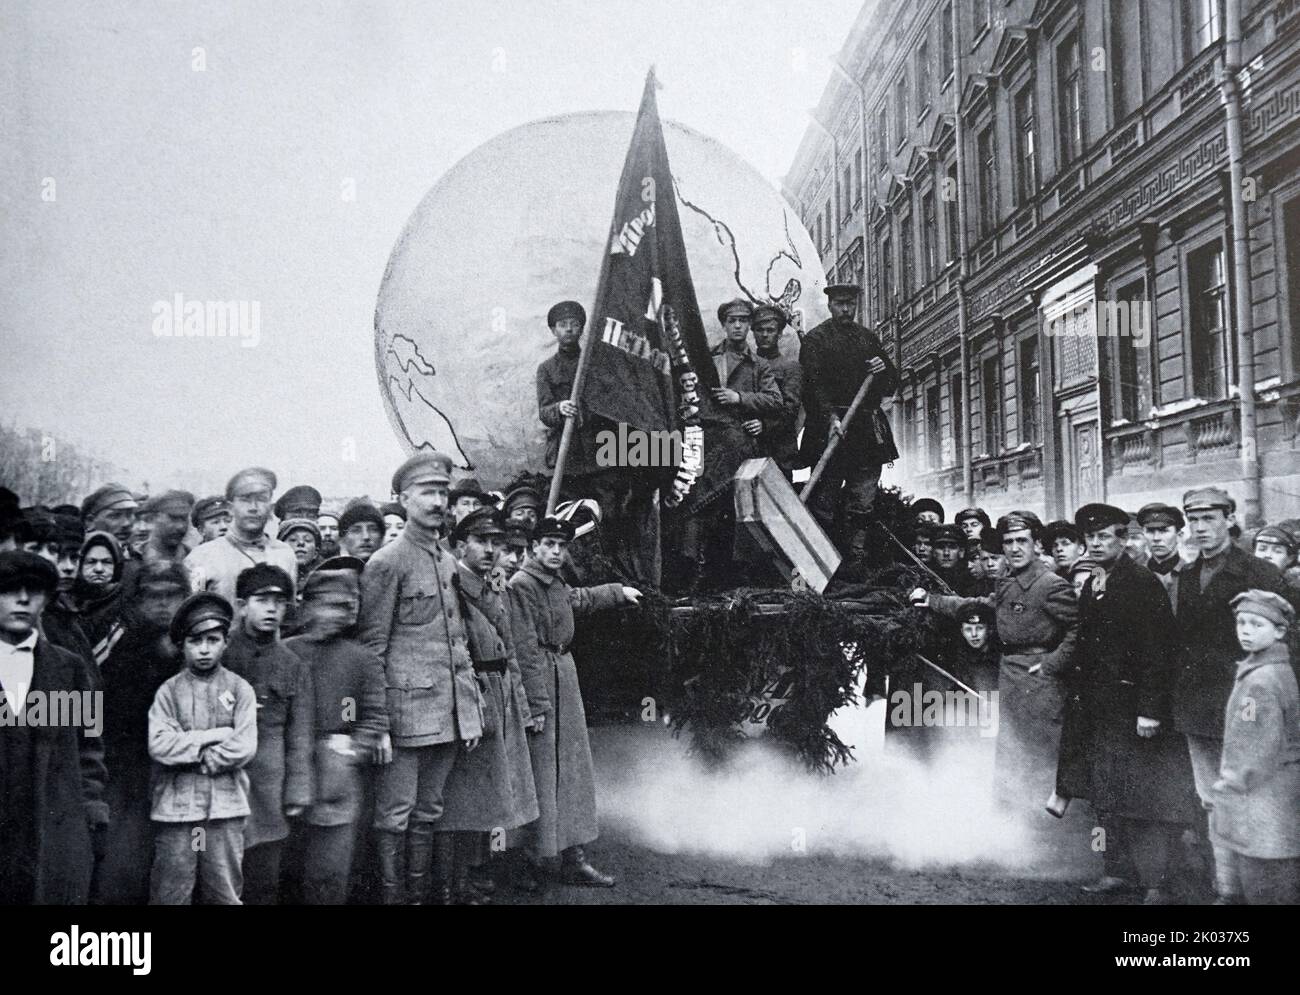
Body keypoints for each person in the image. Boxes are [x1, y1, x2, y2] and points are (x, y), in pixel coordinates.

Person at [1053, 504, 1199, 905]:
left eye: (1104, 537)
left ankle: (1155, 883)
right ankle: (1114, 871)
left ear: (1122, 540)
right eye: (1090, 538)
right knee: (1106, 796)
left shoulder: (1140, 583)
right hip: (1099, 708)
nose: (1096, 544)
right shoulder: (1093, 584)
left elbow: (1157, 652)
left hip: (1134, 709)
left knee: (1144, 799)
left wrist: (1150, 709)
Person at [358, 452, 484, 905]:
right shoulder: (387, 563)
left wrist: (467, 712)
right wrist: (377, 725)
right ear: (403, 498)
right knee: (394, 815)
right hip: (404, 716)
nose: (436, 501)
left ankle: (419, 897)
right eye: (427, 492)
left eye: (442, 493)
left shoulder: (447, 560)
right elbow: (372, 649)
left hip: (445, 714)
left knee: (430, 811)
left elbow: (456, 643)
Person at [913, 511, 1078, 813]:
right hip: (1011, 675)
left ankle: (1053, 833)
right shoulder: (1008, 582)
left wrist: (1052, 664)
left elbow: (1079, 629)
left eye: (1021, 541)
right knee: (1012, 749)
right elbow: (982, 606)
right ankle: (1015, 825)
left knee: (1042, 750)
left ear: (1036, 544)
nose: (1014, 549)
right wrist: (934, 600)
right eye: (1008, 542)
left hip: (1040, 682)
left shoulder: (1050, 584)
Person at [508, 516, 641, 888]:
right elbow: (523, 649)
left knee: (572, 771)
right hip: (544, 686)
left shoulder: (554, 582)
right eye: (548, 544)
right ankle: (530, 862)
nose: (556, 551)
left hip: (564, 678)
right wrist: (535, 706)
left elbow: (577, 600)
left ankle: (572, 859)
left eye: (561, 546)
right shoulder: (522, 585)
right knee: (540, 774)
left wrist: (618, 592)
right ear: (534, 547)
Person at [1171, 487, 1288, 902]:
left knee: (1254, 793)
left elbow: (1289, 640)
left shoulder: (1259, 573)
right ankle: (1227, 889)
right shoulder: (1186, 575)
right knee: (1210, 797)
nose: (1200, 528)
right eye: (1194, 520)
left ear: (1229, 520)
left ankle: (1263, 890)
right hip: (1198, 705)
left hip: (1248, 703)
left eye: (1209, 519)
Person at [437, 508, 541, 903]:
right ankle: (456, 881)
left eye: (497, 543)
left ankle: (478, 870)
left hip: (500, 692)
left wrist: (523, 706)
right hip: (473, 693)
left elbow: (511, 651)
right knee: (465, 795)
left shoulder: (492, 587)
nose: (491, 550)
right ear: (460, 546)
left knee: (494, 791)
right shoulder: (454, 588)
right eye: (482, 542)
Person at [0, 551, 109, 905]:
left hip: (50, 826)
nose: (22, 599)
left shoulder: (70, 668)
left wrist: (92, 812)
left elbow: (90, 747)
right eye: (8, 589)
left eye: (34, 590)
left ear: (46, 601)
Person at [285, 558, 391, 905]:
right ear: (309, 607)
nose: (335, 614)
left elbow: (375, 715)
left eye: (343, 607)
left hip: (337, 778)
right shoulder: (288, 651)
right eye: (327, 605)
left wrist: (351, 751)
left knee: (330, 873)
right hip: (288, 773)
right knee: (286, 869)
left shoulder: (360, 659)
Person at [147, 591, 257, 904]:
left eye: (213, 639)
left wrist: (202, 754)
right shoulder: (169, 692)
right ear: (182, 645)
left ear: (225, 642)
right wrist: (214, 736)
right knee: (172, 892)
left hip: (225, 808)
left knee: (223, 892)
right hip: (177, 810)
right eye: (196, 641)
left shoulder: (239, 689)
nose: (205, 649)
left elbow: (245, 745)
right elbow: (159, 745)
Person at [93, 561, 189, 904]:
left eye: (173, 595)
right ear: (136, 599)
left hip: (175, 764)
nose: (163, 604)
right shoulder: (116, 633)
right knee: (125, 858)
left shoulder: (192, 638)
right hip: (122, 762)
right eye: (153, 596)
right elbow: (88, 692)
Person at [221, 564, 314, 905]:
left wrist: (297, 790)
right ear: (241, 604)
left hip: (270, 790)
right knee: (220, 879)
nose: (273, 609)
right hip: (224, 782)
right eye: (262, 600)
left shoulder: (292, 665)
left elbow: (300, 735)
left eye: (280, 602)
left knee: (264, 883)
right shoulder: (220, 653)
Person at [1209, 590, 1300, 904]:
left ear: (1279, 631)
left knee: (1266, 881)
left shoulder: (1261, 681)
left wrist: (1232, 782)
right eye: (1241, 623)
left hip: (1263, 795)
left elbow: (1255, 744)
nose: (1245, 631)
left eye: (1256, 624)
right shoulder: (1268, 669)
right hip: (1275, 791)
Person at [798, 284, 900, 556]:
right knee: (824, 500)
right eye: (840, 304)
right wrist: (829, 416)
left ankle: (855, 558)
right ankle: (821, 559)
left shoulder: (867, 338)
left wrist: (883, 368)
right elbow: (812, 386)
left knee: (862, 501)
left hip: (865, 432)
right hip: (829, 430)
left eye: (851, 304)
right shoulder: (815, 340)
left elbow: (891, 384)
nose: (846, 309)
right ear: (830, 305)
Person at [184, 467, 297, 606]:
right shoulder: (202, 557)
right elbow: (190, 614)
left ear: (270, 507)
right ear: (231, 508)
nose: (253, 507)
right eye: (245, 500)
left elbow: (289, 614)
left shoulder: (284, 554)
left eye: (261, 499)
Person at [750, 304, 803, 479]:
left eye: (770, 330)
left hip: (779, 453)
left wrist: (764, 426)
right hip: (749, 452)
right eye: (759, 330)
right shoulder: (746, 367)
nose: (765, 335)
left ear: (779, 334)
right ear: (753, 332)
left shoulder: (790, 367)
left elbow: (791, 410)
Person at [73, 531, 128, 664]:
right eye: (90, 562)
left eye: (107, 562)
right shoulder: (68, 603)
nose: (99, 569)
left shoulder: (125, 606)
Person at [1137, 502, 1186, 608]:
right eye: (1150, 531)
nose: (1156, 538)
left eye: (1163, 531)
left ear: (1179, 536)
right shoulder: (1134, 575)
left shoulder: (1192, 574)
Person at [140, 490, 195, 567]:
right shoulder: (134, 560)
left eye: (184, 518)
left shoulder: (195, 559)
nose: (181, 526)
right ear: (153, 518)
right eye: (173, 518)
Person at [80, 483, 139, 552]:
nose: (126, 523)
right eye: (115, 516)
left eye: (129, 514)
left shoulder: (140, 558)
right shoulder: (75, 559)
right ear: (90, 521)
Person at [279, 517, 322, 586]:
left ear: (316, 553)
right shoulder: (271, 581)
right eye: (293, 539)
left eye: (307, 540)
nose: (301, 543)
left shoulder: (323, 583)